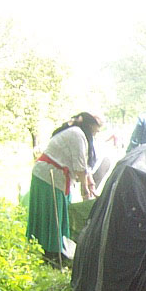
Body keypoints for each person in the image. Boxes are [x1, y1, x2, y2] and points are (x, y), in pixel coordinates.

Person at [26, 111, 103, 264]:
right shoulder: (77, 134)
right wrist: (85, 190)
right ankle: (51, 254)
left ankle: (55, 250)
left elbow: (84, 166)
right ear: (90, 125)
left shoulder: (79, 134)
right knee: (51, 215)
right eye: (97, 128)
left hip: (57, 177)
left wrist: (91, 184)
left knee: (59, 214)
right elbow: (79, 167)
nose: (97, 132)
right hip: (48, 176)